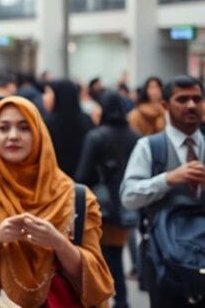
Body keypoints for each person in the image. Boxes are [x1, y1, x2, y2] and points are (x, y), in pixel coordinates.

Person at [0, 96, 114, 307]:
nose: (13, 136)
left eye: (24, 128)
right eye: (3, 128)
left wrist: (58, 242)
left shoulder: (72, 196)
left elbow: (96, 276)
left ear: (39, 134)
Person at [121, 76, 205, 307]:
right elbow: (128, 197)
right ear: (165, 105)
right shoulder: (149, 147)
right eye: (182, 99)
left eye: (196, 99)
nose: (191, 105)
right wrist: (168, 179)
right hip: (166, 265)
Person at [75, 91, 141, 308]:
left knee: (101, 259)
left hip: (101, 207)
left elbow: (83, 175)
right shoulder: (135, 137)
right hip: (125, 204)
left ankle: (108, 300)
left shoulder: (96, 136)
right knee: (116, 256)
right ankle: (121, 300)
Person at [45, 79, 95, 176]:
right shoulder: (86, 119)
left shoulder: (47, 123)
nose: (44, 98)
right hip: (84, 182)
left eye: (48, 93)